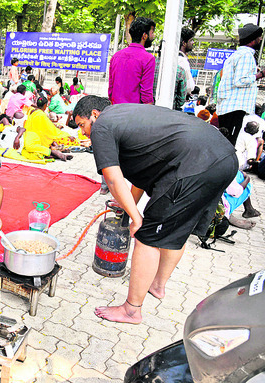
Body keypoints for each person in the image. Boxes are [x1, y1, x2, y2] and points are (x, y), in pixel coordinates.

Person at [72, 95, 237, 324]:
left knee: (147, 237)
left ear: (95, 115)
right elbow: (142, 173)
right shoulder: (126, 115)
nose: (82, 133)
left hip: (194, 165)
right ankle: (157, 286)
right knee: (177, 229)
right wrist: (128, 204)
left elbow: (112, 178)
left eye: (82, 125)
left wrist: (136, 217)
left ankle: (131, 310)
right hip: (224, 158)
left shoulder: (103, 126)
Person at [217, 23, 265, 146]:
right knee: (229, 144)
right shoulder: (246, 56)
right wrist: (261, 75)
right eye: (259, 37)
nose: (260, 40)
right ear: (252, 39)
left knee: (226, 143)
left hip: (231, 107)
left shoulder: (238, 55)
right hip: (235, 107)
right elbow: (240, 80)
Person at [108, 16, 156, 105]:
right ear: (144, 36)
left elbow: (111, 89)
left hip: (115, 110)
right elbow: (146, 94)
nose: (153, 36)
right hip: (134, 113)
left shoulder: (116, 56)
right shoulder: (148, 59)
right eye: (152, 32)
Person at [178, 27, 196, 97]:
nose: (193, 42)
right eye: (191, 40)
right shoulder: (182, 61)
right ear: (184, 43)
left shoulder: (172, 57)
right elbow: (189, 86)